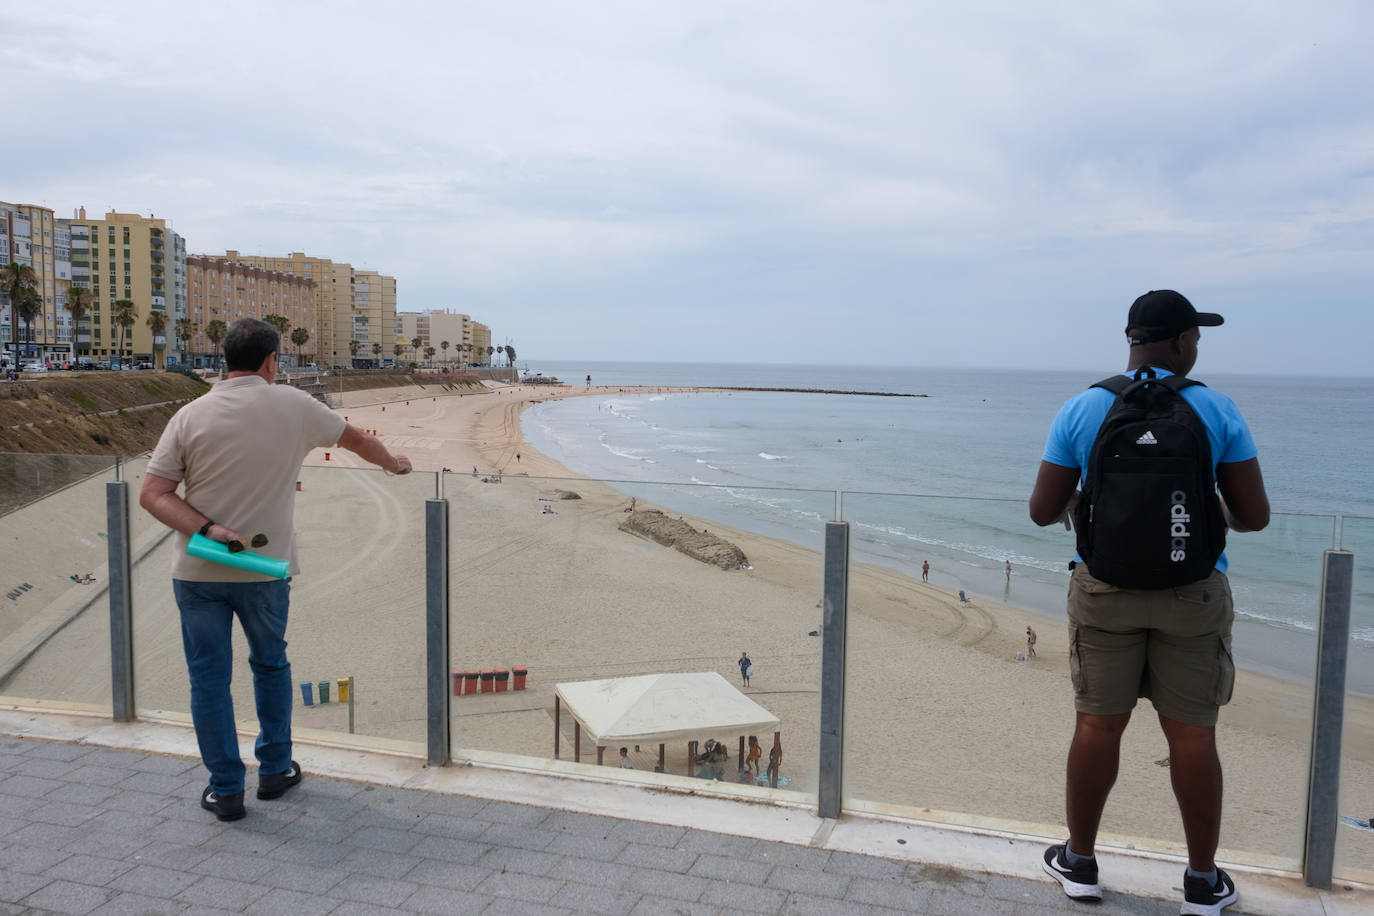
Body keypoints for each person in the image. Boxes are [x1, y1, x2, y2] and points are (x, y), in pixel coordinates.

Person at [1029, 290, 1268, 914]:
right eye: (1196, 339)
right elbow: (1255, 516)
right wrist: (1210, 511)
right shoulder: (1215, 408)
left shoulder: (1084, 406)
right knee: (1192, 736)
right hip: (1193, 593)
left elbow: (1040, 511)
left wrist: (1084, 504)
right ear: (1182, 341)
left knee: (1096, 725)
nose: (1196, 348)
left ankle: (1079, 865)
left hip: (1105, 591)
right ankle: (1201, 882)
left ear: (1132, 339)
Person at [140, 318, 413, 823]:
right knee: (269, 666)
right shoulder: (294, 405)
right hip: (263, 570)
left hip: (198, 569)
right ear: (271, 361)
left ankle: (225, 790)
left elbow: (153, 495)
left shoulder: (190, 414)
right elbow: (356, 441)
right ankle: (274, 770)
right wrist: (394, 465)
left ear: (225, 360)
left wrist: (207, 529)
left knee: (208, 681)